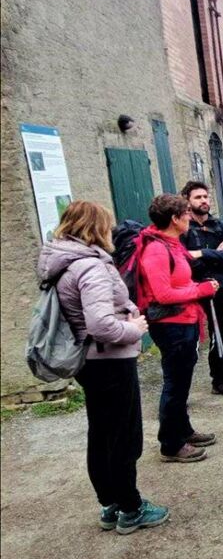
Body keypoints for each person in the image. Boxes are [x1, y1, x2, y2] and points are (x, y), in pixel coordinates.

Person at [36, 201, 169, 534]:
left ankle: (109, 503)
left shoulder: (65, 262)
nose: (111, 231)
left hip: (90, 363)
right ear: (93, 228)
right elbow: (100, 325)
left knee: (102, 433)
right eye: (106, 225)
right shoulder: (91, 267)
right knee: (123, 436)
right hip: (109, 361)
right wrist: (134, 329)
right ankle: (131, 507)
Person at [138, 194, 219, 463]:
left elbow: (180, 281)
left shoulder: (171, 244)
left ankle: (182, 430)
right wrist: (200, 289)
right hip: (171, 325)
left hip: (185, 321)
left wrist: (201, 283)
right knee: (174, 384)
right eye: (185, 212)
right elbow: (162, 294)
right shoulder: (156, 249)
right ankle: (171, 445)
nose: (189, 216)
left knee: (182, 383)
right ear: (174, 219)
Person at [179, 180, 223, 397]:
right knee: (188, 342)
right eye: (198, 197)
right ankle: (180, 393)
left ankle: (220, 380)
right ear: (187, 202)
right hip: (192, 292)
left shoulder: (219, 226)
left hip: (220, 292)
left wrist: (204, 253)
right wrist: (217, 254)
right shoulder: (183, 228)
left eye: (205, 197)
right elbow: (185, 261)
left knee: (222, 336)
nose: (204, 201)